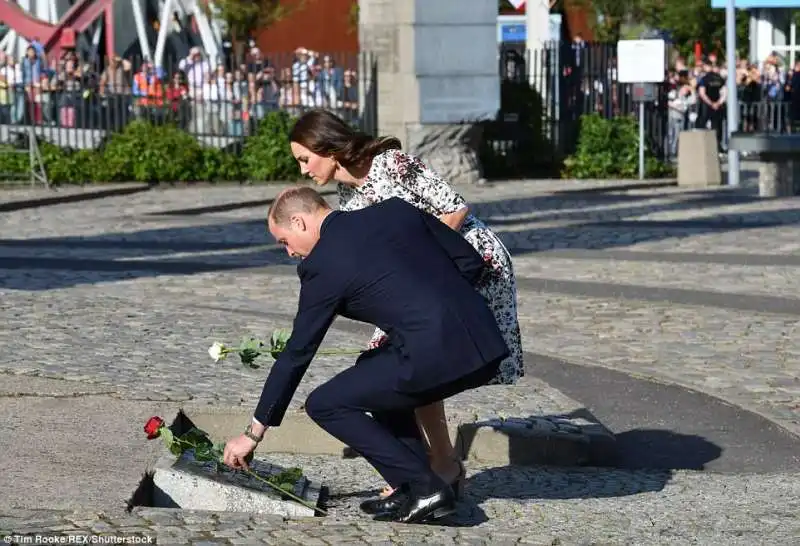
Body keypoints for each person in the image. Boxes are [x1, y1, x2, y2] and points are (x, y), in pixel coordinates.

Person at [222, 187, 509, 524]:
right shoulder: (394, 211)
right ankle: (413, 488)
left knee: (325, 403)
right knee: (372, 372)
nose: (288, 253)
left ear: (299, 222)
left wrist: (253, 434)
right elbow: (469, 263)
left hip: (435, 353)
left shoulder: (323, 265)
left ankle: (425, 486)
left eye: (283, 241)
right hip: (483, 339)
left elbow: (297, 353)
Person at [287, 109, 523, 498]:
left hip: (469, 264)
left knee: (416, 365)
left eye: (304, 159)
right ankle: (434, 467)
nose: (303, 170)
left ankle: (433, 469)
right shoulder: (346, 196)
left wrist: (419, 264)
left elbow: (454, 207)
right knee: (400, 365)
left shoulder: (391, 164)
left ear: (325, 148)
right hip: (418, 281)